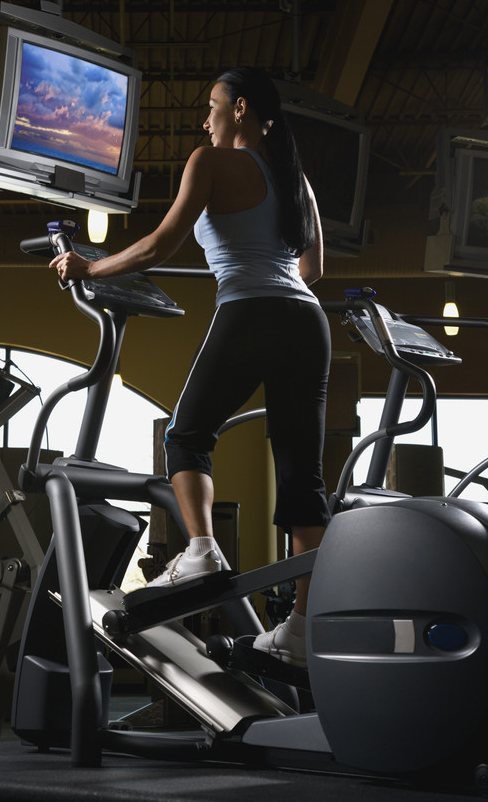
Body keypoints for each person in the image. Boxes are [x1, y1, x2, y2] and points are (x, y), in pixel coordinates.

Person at [50, 67, 331, 667]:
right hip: (307, 323)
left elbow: (159, 244)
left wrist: (87, 269)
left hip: (251, 310)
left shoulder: (208, 161)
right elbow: (312, 271)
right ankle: (304, 631)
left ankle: (201, 548)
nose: (206, 118)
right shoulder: (296, 179)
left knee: (186, 437)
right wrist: (257, 265)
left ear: (241, 108)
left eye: (213, 105)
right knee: (304, 481)